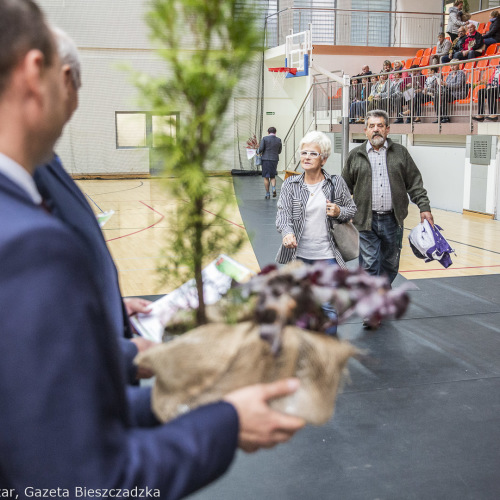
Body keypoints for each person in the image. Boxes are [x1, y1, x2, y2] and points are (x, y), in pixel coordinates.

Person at [0, 1, 305, 496]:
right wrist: (227, 423)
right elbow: (86, 482)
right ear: (37, 72)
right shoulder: (28, 246)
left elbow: (29, 407)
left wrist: (149, 373)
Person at [34, 27, 156, 383]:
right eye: (79, 90)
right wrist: (126, 353)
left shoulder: (45, 161)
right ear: (65, 80)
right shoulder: (21, 179)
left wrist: (113, 310)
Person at [342, 110, 433, 311]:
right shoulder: (355, 155)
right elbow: (344, 187)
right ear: (365, 130)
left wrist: (424, 207)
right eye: (372, 126)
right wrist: (339, 211)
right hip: (365, 220)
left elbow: (415, 183)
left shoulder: (400, 153)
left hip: (393, 220)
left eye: (380, 126)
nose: (376, 130)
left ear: (387, 129)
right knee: (369, 265)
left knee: (390, 264)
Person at [276, 131, 356, 335]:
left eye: (313, 153)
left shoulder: (335, 183)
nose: (307, 157)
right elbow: (283, 215)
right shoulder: (290, 185)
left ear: (324, 159)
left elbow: (351, 209)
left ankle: (327, 349)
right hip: (299, 257)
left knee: (328, 307)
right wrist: (286, 232)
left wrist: (339, 211)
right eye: (304, 153)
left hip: (327, 257)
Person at [258, 126, 282, 199]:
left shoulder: (265, 139)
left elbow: (261, 148)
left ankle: (267, 194)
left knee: (266, 177)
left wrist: (257, 151)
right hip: (274, 159)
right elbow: (279, 151)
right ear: (275, 132)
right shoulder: (278, 140)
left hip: (266, 159)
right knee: (273, 176)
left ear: (268, 132)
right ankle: (274, 188)